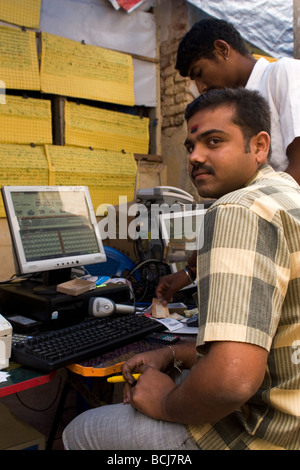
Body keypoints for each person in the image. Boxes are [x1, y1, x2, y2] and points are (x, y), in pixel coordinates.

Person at [63, 88, 300, 450]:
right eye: (191, 146)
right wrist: (174, 354)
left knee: (80, 431)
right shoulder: (288, 196)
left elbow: (231, 380)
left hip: (259, 435)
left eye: (214, 141)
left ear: (259, 145)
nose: (196, 157)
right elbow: (266, 341)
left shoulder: (238, 210)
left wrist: (163, 402)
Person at [156, 18, 300, 304]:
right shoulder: (232, 110)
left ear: (222, 49)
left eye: (199, 73)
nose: (200, 86)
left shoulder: (283, 73)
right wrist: (188, 272)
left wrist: (238, 220)